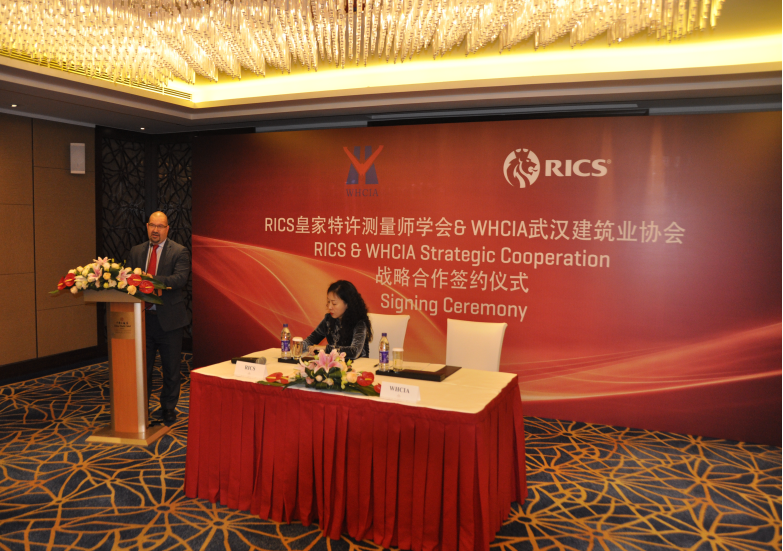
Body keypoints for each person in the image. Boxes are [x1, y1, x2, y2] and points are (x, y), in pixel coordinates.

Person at [128, 211, 191, 424]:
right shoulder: (136, 251)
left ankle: (168, 408)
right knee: (142, 369)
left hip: (169, 321)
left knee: (171, 369)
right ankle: (141, 407)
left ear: (167, 229)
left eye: (160, 226)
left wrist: (150, 280)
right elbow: (128, 279)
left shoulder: (179, 251)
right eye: (152, 225)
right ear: (147, 227)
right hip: (142, 319)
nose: (155, 230)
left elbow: (180, 279)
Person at [304, 280, 373, 360]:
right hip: (335, 364)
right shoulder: (328, 320)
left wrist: (326, 349)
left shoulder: (359, 323)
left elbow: (354, 352)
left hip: (358, 365)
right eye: (328, 302)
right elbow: (310, 340)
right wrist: (298, 346)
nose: (329, 307)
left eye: (334, 303)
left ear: (347, 304)